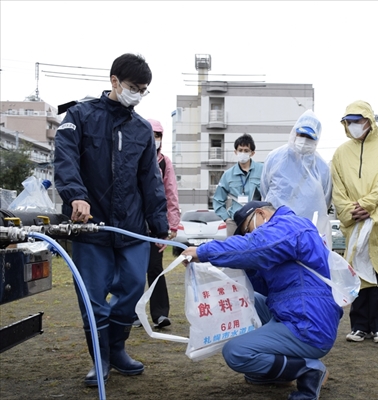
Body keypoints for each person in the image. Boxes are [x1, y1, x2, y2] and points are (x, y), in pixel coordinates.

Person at [54, 53, 169, 386]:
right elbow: (65, 158)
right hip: (90, 227)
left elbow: (151, 179)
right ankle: (101, 359)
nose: (137, 94)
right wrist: (76, 194)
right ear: (114, 81)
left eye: (143, 90)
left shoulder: (142, 129)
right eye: (133, 87)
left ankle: (117, 347)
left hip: (131, 227)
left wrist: (159, 224)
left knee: (133, 287)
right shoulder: (80, 115)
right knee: (93, 296)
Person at [181, 201, 342, 400]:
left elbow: (254, 247)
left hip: (308, 323)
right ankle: (279, 373)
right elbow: (262, 285)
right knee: (249, 301)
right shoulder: (285, 232)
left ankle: (308, 370)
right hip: (296, 310)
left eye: (248, 229)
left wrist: (203, 252)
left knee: (236, 352)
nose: (249, 235)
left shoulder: (289, 225)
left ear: (261, 213)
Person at [331, 100, 378, 344]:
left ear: (369, 121)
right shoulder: (341, 152)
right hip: (356, 221)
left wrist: (368, 205)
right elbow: (338, 189)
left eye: (357, 121)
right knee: (357, 271)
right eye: (348, 122)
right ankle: (360, 324)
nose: (353, 126)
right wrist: (351, 210)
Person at [261, 110, 332, 248]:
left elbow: (326, 200)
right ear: (294, 133)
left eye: (309, 137)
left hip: (308, 233)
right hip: (277, 230)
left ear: (316, 140)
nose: (304, 140)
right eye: (301, 134)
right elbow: (264, 189)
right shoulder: (275, 158)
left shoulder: (322, 167)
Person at [144, 118, 180, 328]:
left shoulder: (164, 162)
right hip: (132, 223)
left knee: (155, 268)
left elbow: (171, 194)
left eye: (157, 135)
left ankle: (159, 313)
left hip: (156, 226)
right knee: (130, 271)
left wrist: (171, 225)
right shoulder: (132, 158)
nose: (154, 139)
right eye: (151, 135)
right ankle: (129, 313)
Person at [213, 134, 263, 236]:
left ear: (252, 153)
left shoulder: (262, 170)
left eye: (246, 150)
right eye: (240, 150)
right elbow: (218, 200)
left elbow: (269, 194)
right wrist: (226, 218)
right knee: (233, 250)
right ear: (235, 152)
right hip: (234, 220)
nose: (242, 153)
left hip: (256, 220)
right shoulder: (228, 174)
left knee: (255, 249)